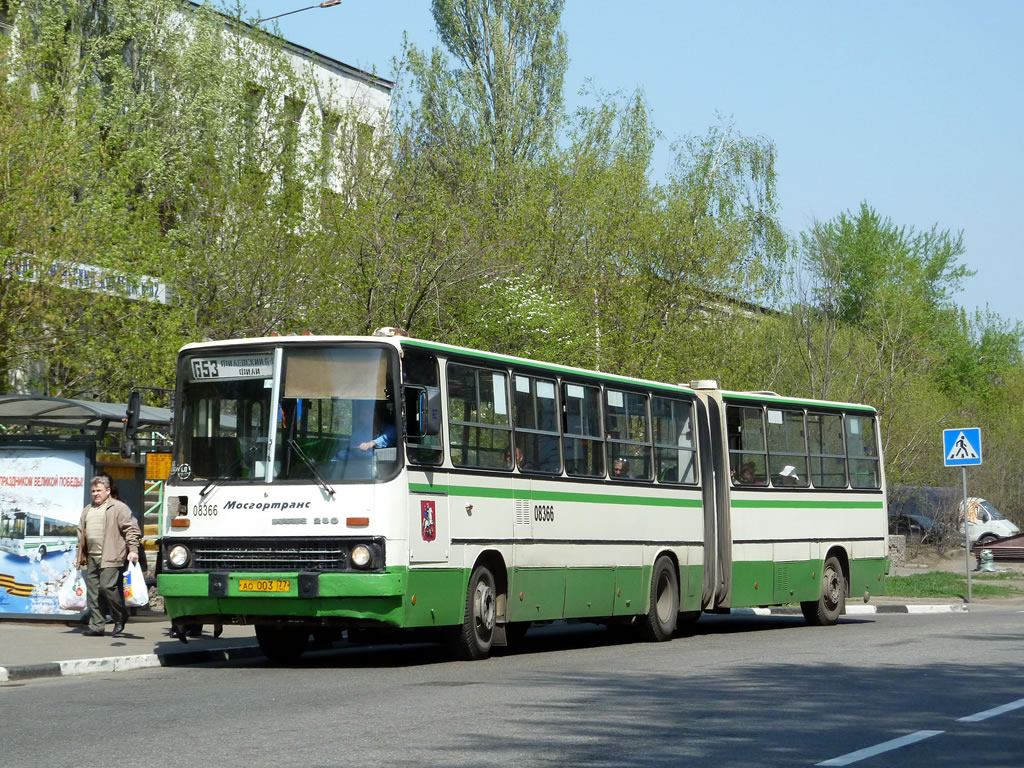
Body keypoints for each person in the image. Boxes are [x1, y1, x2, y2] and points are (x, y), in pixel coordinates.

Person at [75, 475, 140, 637]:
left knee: (106, 587)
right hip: (91, 556)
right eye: (93, 491)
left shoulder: (118, 508)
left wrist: (133, 549)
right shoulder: (88, 510)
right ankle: (97, 626)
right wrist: (78, 555)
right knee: (93, 592)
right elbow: (81, 534)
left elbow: (131, 530)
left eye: (99, 490)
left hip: (111, 555)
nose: (96, 494)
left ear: (108, 491)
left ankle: (120, 615)